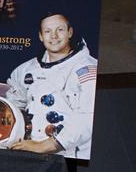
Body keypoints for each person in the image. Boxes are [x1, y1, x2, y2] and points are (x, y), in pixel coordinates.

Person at [5, 13, 98, 159]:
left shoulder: (87, 70)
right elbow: (13, 105)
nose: (54, 36)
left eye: (60, 30)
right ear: (41, 36)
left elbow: (88, 117)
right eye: (47, 31)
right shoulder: (25, 70)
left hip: (72, 155)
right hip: (32, 150)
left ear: (70, 32)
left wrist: (47, 145)